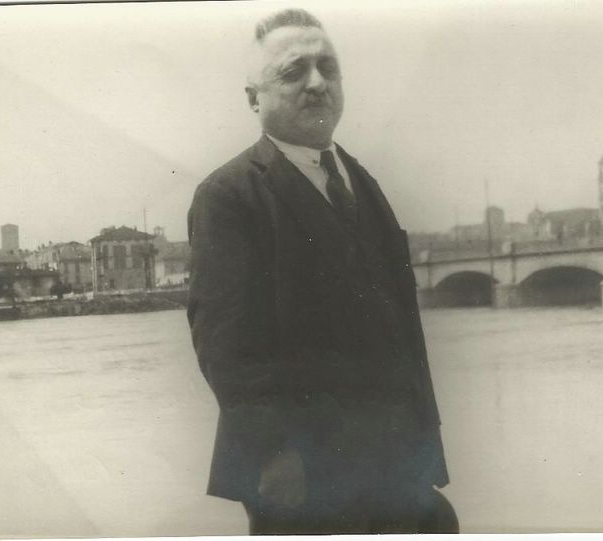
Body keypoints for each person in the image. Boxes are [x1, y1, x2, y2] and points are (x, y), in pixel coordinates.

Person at [187, 8, 458, 535]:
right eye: (294, 72)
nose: (317, 83)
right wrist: (274, 453)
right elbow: (224, 345)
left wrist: (424, 449)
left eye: (327, 68)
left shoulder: (362, 181)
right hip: (304, 476)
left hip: (397, 462)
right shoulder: (228, 196)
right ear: (253, 98)